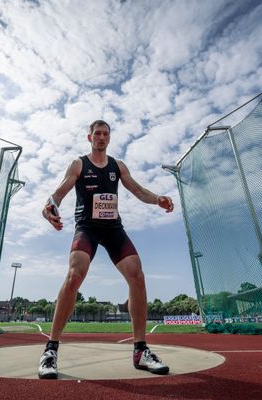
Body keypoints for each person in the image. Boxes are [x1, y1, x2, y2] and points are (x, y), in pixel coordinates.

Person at [38, 120, 174, 379]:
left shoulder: (117, 166)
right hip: (87, 227)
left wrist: (158, 199)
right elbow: (60, 191)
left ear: (109, 138)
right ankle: (51, 350)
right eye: (97, 133)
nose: (101, 137)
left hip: (112, 228)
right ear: (89, 137)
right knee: (74, 274)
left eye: (106, 134)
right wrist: (50, 205)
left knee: (137, 274)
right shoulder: (79, 164)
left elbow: (137, 189)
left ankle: (140, 350)